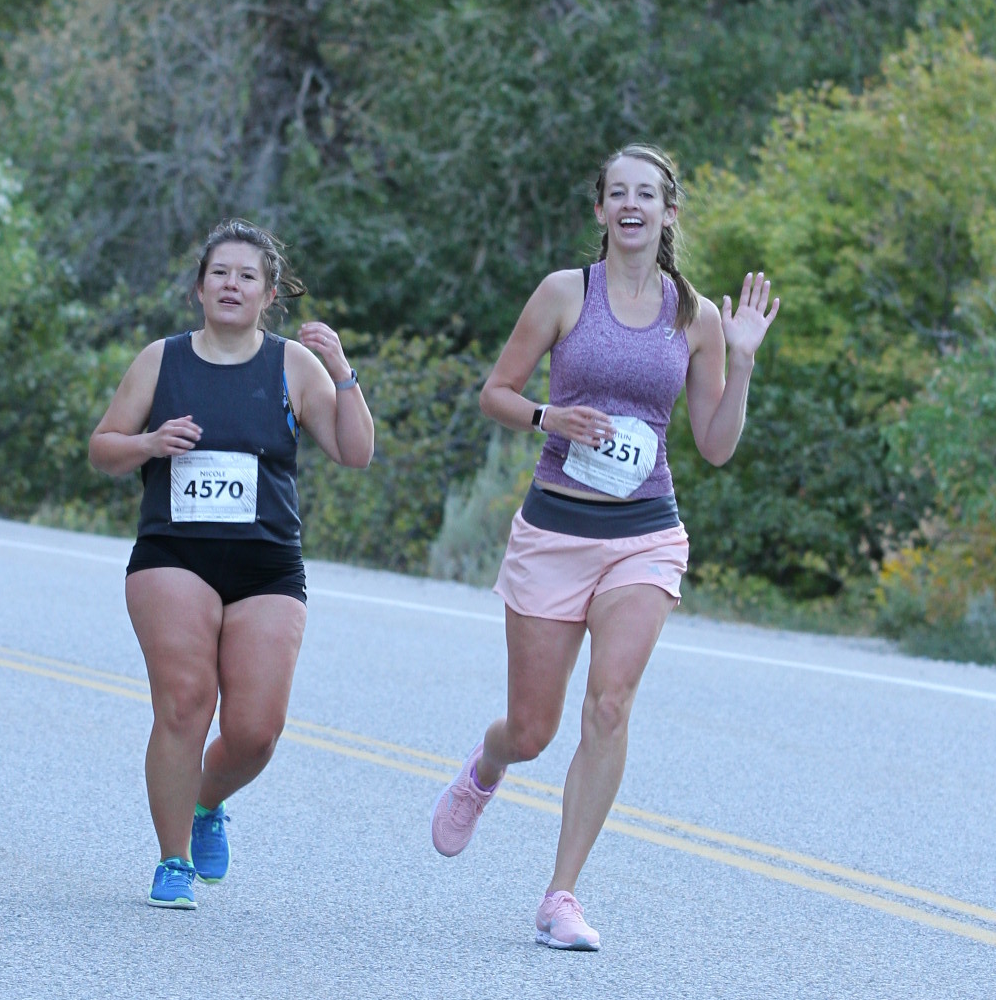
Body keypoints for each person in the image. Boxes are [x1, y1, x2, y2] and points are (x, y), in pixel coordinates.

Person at [431, 145, 778, 951]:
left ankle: (561, 895)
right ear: (599, 210)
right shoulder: (565, 293)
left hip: (644, 535)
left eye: (646, 194)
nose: (631, 205)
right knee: (532, 730)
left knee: (611, 705)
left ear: (669, 212)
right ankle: (487, 769)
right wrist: (548, 417)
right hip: (555, 532)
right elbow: (495, 393)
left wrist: (743, 361)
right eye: (617, 193)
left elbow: (716, 445)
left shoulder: (695, 316)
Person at [89, 221, 376, 909]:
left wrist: (343, 372)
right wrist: (149, 443)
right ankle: (173, 860)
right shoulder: (161, 360)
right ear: (199, 287)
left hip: (266, 563)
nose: (231, 285)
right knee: (185, 702)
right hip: (173, 553)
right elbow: (103, 448)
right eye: (219, 272)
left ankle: (206, 802)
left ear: (269, 295)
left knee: (255, 732)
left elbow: (355, 452)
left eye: (247, 276)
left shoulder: (291, 365)